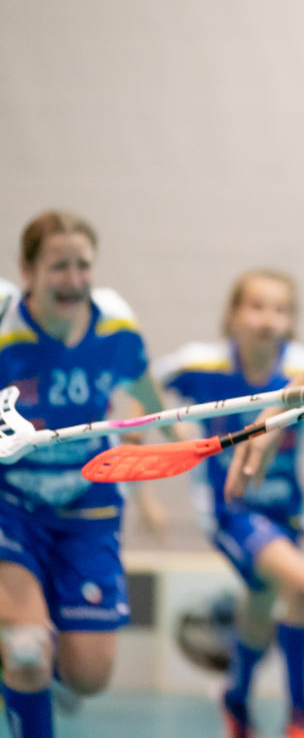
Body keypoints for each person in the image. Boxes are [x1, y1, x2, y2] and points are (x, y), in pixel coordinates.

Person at [154, 269, 304, 738]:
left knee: (260, 605)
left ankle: (236, 701)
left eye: (280, 309)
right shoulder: (202, 365)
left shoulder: (303, 370)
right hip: (230, 509)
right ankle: (301, 719)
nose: (267, 319)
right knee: (300, 583)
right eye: (256, 306)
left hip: (286, 512)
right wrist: (173, 433)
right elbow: (144, 381)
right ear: (233, 314)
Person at [0, 211, 178, 738]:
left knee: (89, 675)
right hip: (12, 504)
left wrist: (183, 448)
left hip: (88, 504)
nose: (74, 280)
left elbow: (147, 400)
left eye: (83, 266)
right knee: (29, 654)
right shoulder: (5, 327)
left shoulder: (115, 327)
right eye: (59, 266)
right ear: (27, 270)